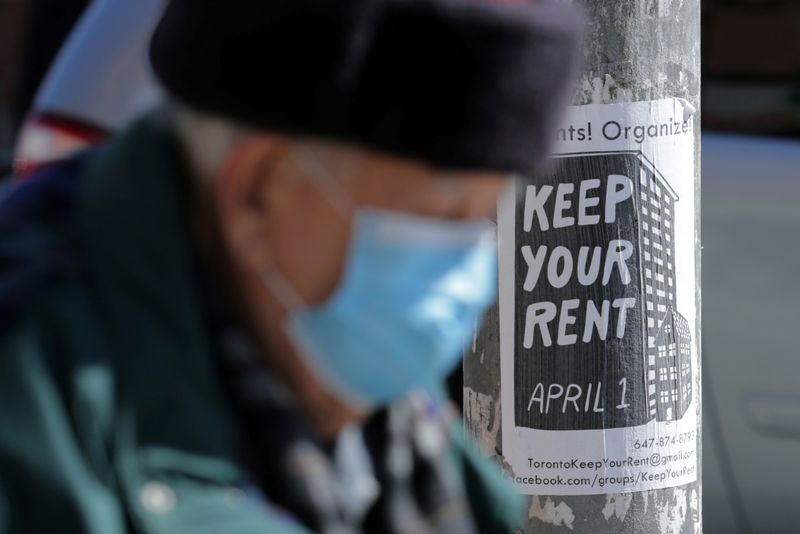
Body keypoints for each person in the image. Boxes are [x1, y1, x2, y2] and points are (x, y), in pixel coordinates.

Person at [0, 0, 583, 532]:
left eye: (480, 221)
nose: (465, 277)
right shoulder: (36, 401)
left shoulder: (336, 353)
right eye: (438, 219)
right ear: (258, 191)